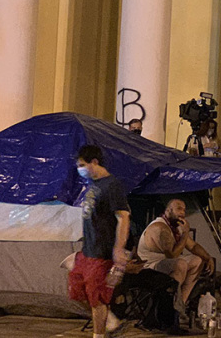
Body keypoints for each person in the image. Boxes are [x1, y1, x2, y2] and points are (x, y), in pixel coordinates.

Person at [68, 145, 131, 338]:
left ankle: (99, 334)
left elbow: (123, 217)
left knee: (97, 298)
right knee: (76, 292)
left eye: (82, 165)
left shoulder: (112, 185)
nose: (79, 169)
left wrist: (119, 249)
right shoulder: (93, 184)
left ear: (94, 162)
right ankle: (110, 320)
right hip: (87, 251)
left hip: (101, 253)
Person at [137, 199, 215, 317]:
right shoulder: (160, 227)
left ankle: (179, 306)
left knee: (197, 260)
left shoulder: (175, 227)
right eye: (179, 208)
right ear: (168, 210)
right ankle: (170, 307)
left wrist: (208, 258)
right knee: (180, 264)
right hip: (149, 266)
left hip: (165, 263)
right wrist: (185, 233)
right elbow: (172, 255)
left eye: (184, 209)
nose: (182, 213)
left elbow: (192, 246)